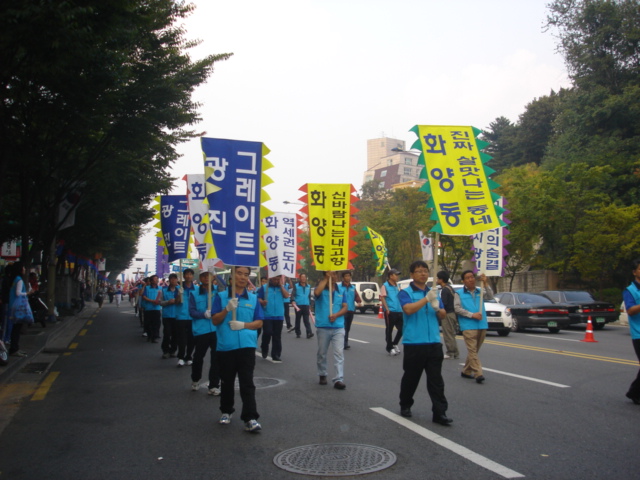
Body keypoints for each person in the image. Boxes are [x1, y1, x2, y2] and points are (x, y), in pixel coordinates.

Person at [397, 260, 451, 425]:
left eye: (425, 271)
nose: (423, 273)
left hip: (434, 341)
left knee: (436, 380)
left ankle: (439, 413)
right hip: (414, 343)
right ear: (412, 275)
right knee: (411, 378)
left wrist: (437, 307)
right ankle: (405, 404)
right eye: (419, 271)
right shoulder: (405, 293)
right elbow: (408, 309)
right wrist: (427, 299)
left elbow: (443, 315)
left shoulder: (433, 293)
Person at [211, 266, 264, 432]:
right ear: (232, 277)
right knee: (227, 381)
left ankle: (250, 417)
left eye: (246, 275)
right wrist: (226, 309)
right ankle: (226, 411)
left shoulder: (253, 298)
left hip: (247, 346)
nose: (242, 277)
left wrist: (244, 325)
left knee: (247, 382)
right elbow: (214, 320)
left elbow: (259, 322)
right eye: (239, 274)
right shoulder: (220, 297)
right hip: (226, 346)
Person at [454, 270, 494, 384]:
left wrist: (486, 283)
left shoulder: (480, 291)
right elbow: (457, 308)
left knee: (475, 350)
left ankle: (466, 371)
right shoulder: (459, 294)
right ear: (463, 281)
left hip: (481, 324)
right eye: (468, 278)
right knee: (472, 350)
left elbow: (491, 296)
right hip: (468, 325)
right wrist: (472, 315)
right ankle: (478, 373)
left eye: (472, 277)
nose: (471, 279)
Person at [314, 271, 348, 389]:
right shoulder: (320, 288)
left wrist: (337, 315)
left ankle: (339, 379)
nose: (333, 277)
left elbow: (345, 307)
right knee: (322, 353)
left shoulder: (341, 290)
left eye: (334, 274)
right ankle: (322, 373)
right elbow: (316, 293)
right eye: (331, 274)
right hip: (323, 326)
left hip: (338, 326)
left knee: (339, 353)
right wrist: (325, 279)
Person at [188, 272, 221, 395]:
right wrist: (203, 314)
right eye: (203, 276)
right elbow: (191, 311)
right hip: (201, 330)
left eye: (209, 275)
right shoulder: (194, 293)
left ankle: (213, 385)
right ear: (200, 278)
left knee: (216, 358)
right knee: (198, 357)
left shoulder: (219, 291)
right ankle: (195, 379)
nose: (206, 278)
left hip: (217, 329)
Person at [258, 276, 290, 362]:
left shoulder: (282, 287)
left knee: (277, 336)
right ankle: (264, 347)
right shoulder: (265, 287)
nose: (276, 281)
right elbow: (258, 297)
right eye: (275, 279)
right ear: (271, 278)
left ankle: (276, 354)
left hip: (279, 315)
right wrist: (262, 301)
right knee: (267, 333)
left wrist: (281, 286)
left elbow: (287, 296)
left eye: (278, 279)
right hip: (267, 315)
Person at [623, 259, 640, 405]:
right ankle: (634, 392)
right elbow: (630, 310)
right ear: (634, 272)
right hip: (639, 333)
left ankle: (634, 392)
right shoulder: (630, 291)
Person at [6, 263, 31, 357]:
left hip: (13, 306)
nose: (24, 269)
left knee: (15, 328)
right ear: (20, 269)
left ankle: (14, 348)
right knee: (16, 329)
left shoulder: (14, 279)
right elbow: (18, 293)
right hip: (18, 308)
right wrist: (28, 293)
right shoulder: (19, 280)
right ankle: (14, 349)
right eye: (23, 267)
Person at [175, 269, 196, 367]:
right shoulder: (178, 288)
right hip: (181, 316)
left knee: (192, 339)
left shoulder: (196, 289)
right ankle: (181, 357)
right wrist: (180, 294)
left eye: (190, 274)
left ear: (192, 276)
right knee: (182, 339)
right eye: (186, 274)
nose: (188, 276)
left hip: (192, 317)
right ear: (183, 276)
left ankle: (189, 356)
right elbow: (177, 302)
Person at [436, 271, 459, 360]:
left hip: (447, 314)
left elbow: (443, 304)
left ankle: (450, 353)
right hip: (452, 314)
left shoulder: (445, 290)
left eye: (438, 278)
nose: (437, 280)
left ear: (441, 279)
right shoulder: (450, 288)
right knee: (451, 334)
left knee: (448, 334)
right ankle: (455, 353)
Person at [381, 268, 403, 356]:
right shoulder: (385, 286)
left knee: (402, 329)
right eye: (396, 275)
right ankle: (389, 347)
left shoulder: (397, 285)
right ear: (390, 276)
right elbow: (382, 297)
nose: (397, 276)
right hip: (390, 311)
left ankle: (394, 343)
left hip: (399, 310)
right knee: (389, 330)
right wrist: (387, 309)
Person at [160, 273, 181, 359]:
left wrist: (178, 300)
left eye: (175, 279)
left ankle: (173, 350)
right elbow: (160, 302)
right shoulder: (163, 290)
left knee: (176, 334)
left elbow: (184, 301)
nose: (173, 280)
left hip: (177, 315)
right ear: (169, 280)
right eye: (171, 279)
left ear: (177, 280)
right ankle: (165, 351)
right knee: (167, 334)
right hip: (167, 316)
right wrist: (168, 302)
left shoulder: (180, 290)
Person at [340, 271, 361, 350]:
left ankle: (345, 341)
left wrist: (358, 301)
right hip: (342, 311)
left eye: (349, 276)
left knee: (348, 328)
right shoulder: (339, 287)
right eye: (346, 276)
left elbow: (356, 296)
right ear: (343, 277)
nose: (348, 277)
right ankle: (344, 343)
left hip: (351, 310)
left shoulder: (353, 288)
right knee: (344, 327)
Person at [142, 275, 163, 343]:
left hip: (157, 308)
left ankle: (154, 337)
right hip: (148, 308)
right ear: (151, 281)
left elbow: (162, 297)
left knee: (156, 323)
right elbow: (144, 297)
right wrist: (152, 301)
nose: (156, 280)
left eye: (157, 279)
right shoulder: (147, 288)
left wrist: (159, 301)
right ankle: (149, 335)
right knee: (148, 323)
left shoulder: (160, 288)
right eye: (155, 279)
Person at [291, 273, 313, 339]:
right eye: (302, 277)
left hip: (306, 305)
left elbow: (309, 296)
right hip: (298, 305)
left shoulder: (308, 286)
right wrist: (292, 300)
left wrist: (310, 305)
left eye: (304, 277)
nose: (303, 278)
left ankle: (309, 333)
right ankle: (298, 332)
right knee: (298, 319)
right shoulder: (296, 286)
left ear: (306, 278)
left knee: (306, 320)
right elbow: (293, 294)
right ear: (300, 278)